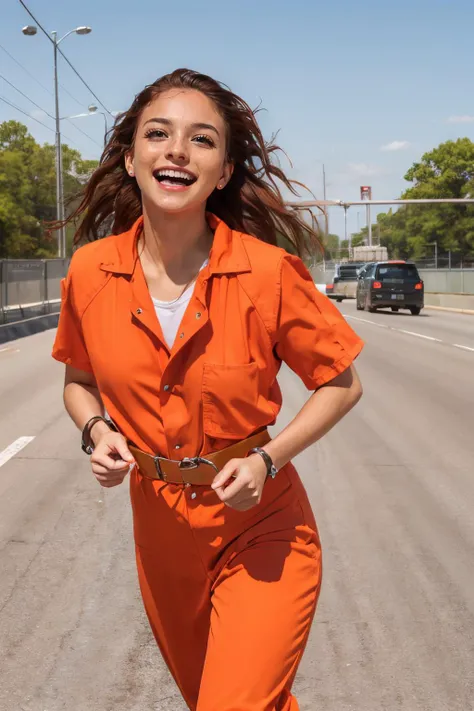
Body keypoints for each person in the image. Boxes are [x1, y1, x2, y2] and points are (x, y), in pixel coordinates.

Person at [52, 68, 363, 711]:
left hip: (262, 523)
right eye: (158, 134)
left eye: (201, 139)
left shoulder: (268, 272)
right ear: (132, 158)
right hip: (159, 527)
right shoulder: (89, 272)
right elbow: (78, 382)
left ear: (222, 172)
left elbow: (342, 383)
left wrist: (267, 458)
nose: (176, 151)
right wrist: (96, 430)